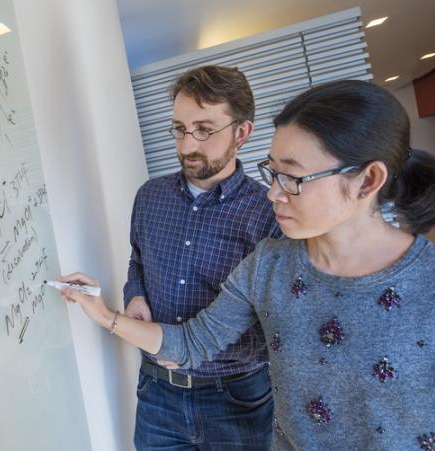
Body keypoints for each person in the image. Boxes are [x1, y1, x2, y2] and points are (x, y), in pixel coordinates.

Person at [61, 79, 435, 450]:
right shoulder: (269, 265)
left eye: (292, 177)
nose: (274, 193)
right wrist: (104, 313)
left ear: (367, 182)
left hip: (238, 396)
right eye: (272, 172)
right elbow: (192, 342)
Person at [123, 65, 280, 450]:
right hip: (157, 391)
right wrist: (135, 295)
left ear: (241, 132)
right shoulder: (149, 196)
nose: (187, 145)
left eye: (204, 129)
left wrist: (186, 347)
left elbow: (277, 316)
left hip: (238, 398)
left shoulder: (270, 212)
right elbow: (138, 261)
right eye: (179, 128)